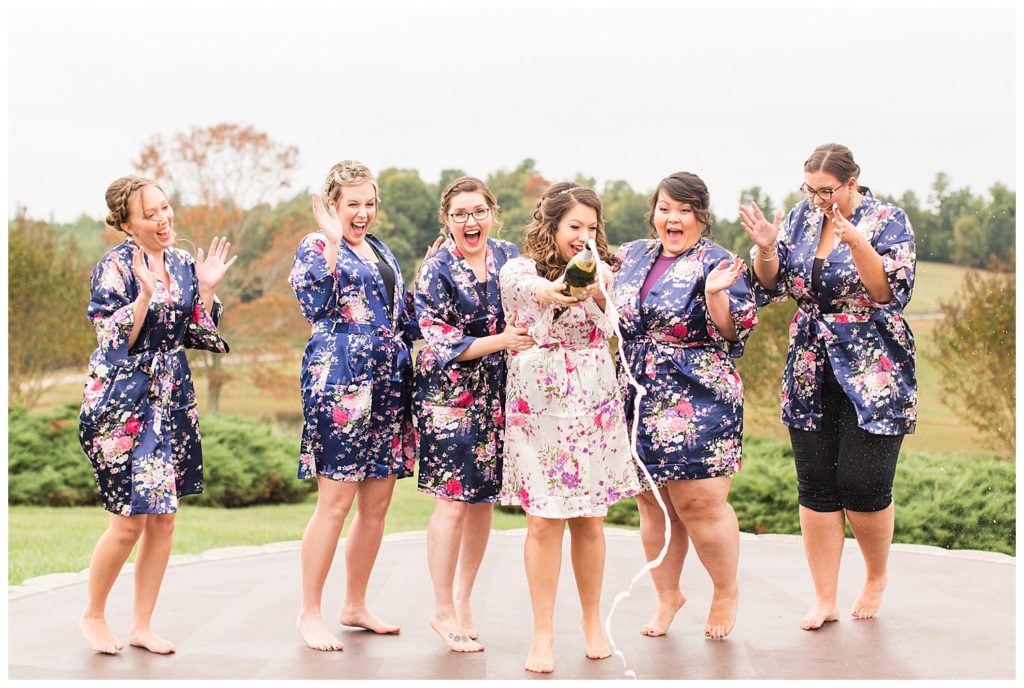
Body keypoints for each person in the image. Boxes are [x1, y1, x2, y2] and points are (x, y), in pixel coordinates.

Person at [741, 143, 917, 630]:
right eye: (811, 189)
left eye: (828, 191)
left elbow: (887, 293)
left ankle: (876, 576)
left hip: (874, 366)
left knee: (863, 483)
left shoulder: (888, 221)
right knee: (816, 484)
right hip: (810, 365)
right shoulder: (800, 218)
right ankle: (824, 598)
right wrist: (767, 249)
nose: (819, 199)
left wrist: (856, 240)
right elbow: (769, 286)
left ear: (852, 182)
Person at [78, 175, 235, 654]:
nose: (164, 220)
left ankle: (142, 625)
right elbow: (113, 342)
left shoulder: (184, 264)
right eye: (151, 214)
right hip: (125, 400)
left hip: (172, 398)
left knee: (164, 518)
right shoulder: (114, 268)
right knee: (129, 520)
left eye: (165, 208)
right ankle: (93, 615)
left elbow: (197, 332)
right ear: (127, 224)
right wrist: (144, 298)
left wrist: (204, 291)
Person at [499, 182, 641, 673]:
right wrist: (555, 289)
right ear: (552, 226)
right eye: (573, 227)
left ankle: (592, 622)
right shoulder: (517, 268)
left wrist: (601, 293)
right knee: (542, 521)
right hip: (537, 403)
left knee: (590, 520)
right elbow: (530, 292)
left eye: (591, 228)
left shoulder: (603, 271)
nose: (582, 236)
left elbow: (610, 329)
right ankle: (542, 634)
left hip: (590, 400)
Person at [612, 171, 757, 640]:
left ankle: (726, 590)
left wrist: (715, 295)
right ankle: (668, 595)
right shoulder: (633, 255)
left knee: (699, 501)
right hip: (637, 392)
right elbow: (586, 273)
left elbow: (735, 330)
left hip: (698, 394)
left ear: (701, 217)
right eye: (665, 208)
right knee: (653, 505)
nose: (673, 218)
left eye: (685, 210)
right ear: (653, 213)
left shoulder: (718, 261)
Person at [289, 160, 418, 651]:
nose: (362, 213)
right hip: (340, 378)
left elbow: (403, 317)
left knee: (377, 502)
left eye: (369, 204)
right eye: (352, 205)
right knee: (336, 501)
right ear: (332, 205)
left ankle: (355, 604)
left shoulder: (382, 249)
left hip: (388, 382)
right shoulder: (316, 245)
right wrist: (333, 243)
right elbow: (315, 304)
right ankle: (309, 613)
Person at [413, 176, 533, 653]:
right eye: (460, 214)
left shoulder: (507, 257)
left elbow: (537, 296)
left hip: (499, 393)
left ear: (492, 212)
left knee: (482, 500)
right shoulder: (436, 269)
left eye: (479, 211)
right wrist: (502, 340)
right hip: (451, 399)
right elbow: (439, 340)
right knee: (452, 500)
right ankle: (441, 609)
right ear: (447, 219)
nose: (470, 221)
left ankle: (463, 600)